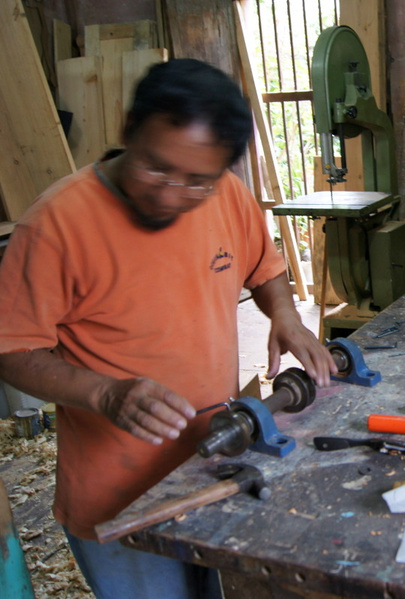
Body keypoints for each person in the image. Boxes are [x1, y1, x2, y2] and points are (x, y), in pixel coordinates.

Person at [0, 58, 337, 599]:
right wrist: (106, 393)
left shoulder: (227, 193)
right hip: (120, 494)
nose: (169, 194)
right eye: (155, 167)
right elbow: (13, 349)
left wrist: (285, 316)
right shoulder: (55, 226)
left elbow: (265, 267)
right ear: (128, 130)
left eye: (195, 182)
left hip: (216, 461)